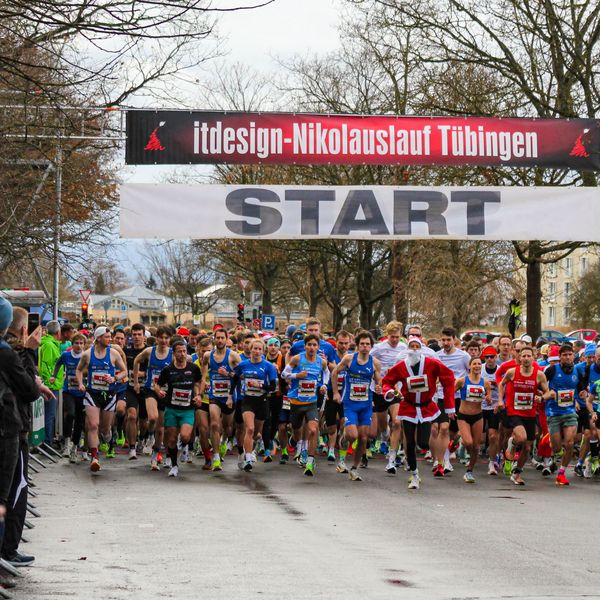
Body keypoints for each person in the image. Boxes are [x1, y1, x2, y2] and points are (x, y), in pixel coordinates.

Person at [0, 300, 43, 570]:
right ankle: (7, 550)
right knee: (13, 490)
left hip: (11, 425)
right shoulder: (8, 352)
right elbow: (29, 389)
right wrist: (29, 353)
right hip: (10, 428)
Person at [382, 336, 456, 490]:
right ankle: (414, 474)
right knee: (409, 442)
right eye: (412, 346)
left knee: (423, 443)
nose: (414, 349)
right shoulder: (401, 366)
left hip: (426, 407)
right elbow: (387, 381)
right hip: (408, 407)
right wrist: (389, 391)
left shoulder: (431, 363)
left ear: (421, 349)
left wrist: (450, 406)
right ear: (407, 349)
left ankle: (436, 453)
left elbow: (449, 377)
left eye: (417, 346)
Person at [331, 331, 382, 481]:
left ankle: (354, 468)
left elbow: (379, 380)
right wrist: (336, 392)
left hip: (366, 404)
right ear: (358, 345)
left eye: (367, 344)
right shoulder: (349, 359)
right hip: (350, 404)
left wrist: (379, 387)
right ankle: (343, 440)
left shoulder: (375, 363)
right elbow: (334, 373)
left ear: (371, 346)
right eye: (362, 344)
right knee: (352, 435)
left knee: (364, 438)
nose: (365, 347)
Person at [76, 326, 127, 473]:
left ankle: (108, 438)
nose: (110, 339)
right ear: (98, 338)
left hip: (109, 395)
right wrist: (80, 383)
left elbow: (124, 371)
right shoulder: (87, 354)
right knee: (93, 425)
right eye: (107, 337)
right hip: (92, 394)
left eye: (110, 337)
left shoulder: (113, 353)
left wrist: (114, 378)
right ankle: (95, 457)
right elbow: (79, 369)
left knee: (105, 429)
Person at [497, 346, 550, 486]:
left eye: (529, 356)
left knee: (527, 448)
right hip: (514, 411)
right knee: (521, 437)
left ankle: (516, 473)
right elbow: (501, 384)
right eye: (524, 356)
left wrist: (542, 398)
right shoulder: (512, 372)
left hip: (530, 413)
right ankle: (512, 443)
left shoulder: (539, 375)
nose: (526, 358)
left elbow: (549, 392)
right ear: (519, 358)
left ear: (534, 358)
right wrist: (500, 400)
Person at [282, 334, 329, 476]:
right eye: (309, 345)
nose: (312, 348)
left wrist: (324, 385)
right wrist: (297, 376)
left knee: (313, 430)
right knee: (297, 432)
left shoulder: (321, 361)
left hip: (311, 402)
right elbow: (284, 374)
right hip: (296, 402)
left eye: (314, 345)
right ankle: (295, 440)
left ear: (318, 347)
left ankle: (310, 460)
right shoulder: (297, 359)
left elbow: (326, 373)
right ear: (305, 346)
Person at [155, 340, 203, 477]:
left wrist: (198, 395)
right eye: (179, 351)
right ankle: (174, 465)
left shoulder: (193, 368)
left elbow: (199, 382)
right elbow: (157, 385)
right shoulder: (168, 370)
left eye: (184, 351)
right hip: (171, 408)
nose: (182, 354)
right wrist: (159, 391)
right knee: (171, 439)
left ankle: (183, 446)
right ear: (174, 353)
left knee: (185, 436)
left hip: (187, 409)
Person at [229, 339, 277, 471]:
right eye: (255, 348)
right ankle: (248, 458)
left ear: (263, 351)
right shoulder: (243, 364)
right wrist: (230, 395)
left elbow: (273, 387)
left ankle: (254, 444)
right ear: (250, 349)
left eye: (259, 349)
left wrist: (260, 385)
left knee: (256, 434)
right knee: (249, 429)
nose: (257, 351)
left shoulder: (268, 366)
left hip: (262, 402)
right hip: (247, 401)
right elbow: (235, 378)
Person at [543, 344, 585, 486]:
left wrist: (582, 393)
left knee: (570, 442)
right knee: (556, 448)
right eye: (564, 355)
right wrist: (547, 393)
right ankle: (552, 445)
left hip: (569, 412)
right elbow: (540, 385)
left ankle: (561, 473)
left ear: (573, 356)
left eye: (570, 354)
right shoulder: (552, 370)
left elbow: (581, 388)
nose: (567, 357)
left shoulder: (577, 371)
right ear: (560, 357)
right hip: (553, 412)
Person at [199, 328, 241, 471]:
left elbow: (242, 376)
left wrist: (228, 373)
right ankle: (216, 458)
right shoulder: (207, 356)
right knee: (215, 425)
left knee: (228, 427)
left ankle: (224, 442)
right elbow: (203, 376)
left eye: (223, 338)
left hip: (229, 397)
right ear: (214, 339)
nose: (220, 340)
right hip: (214, 396)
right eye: (218, 338)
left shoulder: (233, 356)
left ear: (227, 339)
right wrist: (201, 391)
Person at [430, 327, 469, 476]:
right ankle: (443, 461)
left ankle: (450, 448)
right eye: (443, 340)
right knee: (443, 428)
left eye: (448, 340)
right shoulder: (437, 356)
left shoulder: (463, 356)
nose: (445, 343)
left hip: (459, 398)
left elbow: (471, 373)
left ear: (454, 340)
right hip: (442, 397)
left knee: (454, 433)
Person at [370, 321, 407, 475]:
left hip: (395, 389)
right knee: (383, 424)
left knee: (397, 422)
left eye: (397, 337)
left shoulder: (404, 348)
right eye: (392, 337)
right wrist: (376, 378)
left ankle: (392, 458)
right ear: (387, 335)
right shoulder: (378, 348)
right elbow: (368, 363)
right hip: (380, 389)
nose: (395, 340)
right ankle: (385, 436)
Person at [133, 326, 172, 470]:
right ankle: (149, 435)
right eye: (161, 337)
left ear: (170, 339)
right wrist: (136, 382)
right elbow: (137, 361)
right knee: (153, 417)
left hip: (165, 393)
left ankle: (155, 456)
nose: (163, 340)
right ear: (157, 338)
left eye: (166, 338)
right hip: (150, 390)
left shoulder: (173, 354)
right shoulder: (150, 351)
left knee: (161, 430)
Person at [454, 357, 492, 483]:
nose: (477, 366)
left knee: (476, 447)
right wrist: (450, 409)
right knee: (469, 443)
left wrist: (488, 399)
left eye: (479, 364)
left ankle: (469, 471)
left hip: (478, 416)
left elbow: (489, 398)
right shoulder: (462, 381)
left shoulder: (485, 382)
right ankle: (461, 442)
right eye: (474, 364)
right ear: (469, 366)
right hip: (463, 416)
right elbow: (450, 393)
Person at [50, 332, 86, 461]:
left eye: (81, 343)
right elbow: (58, 363)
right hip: (68, 390)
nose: (79, 345)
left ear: (84, 345)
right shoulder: (66, 355)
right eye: (76, 343)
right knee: (70, 414)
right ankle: (66, 443)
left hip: (82, 392)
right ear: (72, 344)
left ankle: (75, 447)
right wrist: (54, 376)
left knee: (80, 420)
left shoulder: (86, 356)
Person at [325, 330, 351, 464]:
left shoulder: (352, 357)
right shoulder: (331, 355)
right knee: (331, 426)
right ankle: (330, 446)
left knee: (344, 422)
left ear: (350, 343)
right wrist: (331, 365)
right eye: (341, 343)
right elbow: (326, 366)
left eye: (346, 343)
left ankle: (338, 450)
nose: (343, 346)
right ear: (336, 342)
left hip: (346, 393)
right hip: (331, 392)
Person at [38, 319, 63, 446]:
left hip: (53, 385)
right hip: (50, 386)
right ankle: (47, 443)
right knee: (49, 414)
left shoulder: (51, 344)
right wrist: (50, 383)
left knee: (50, 414)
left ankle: (48, 441)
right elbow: (46, 366)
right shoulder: (49, 345)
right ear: (58, 332)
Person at [480, 345, 502, 475]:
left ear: (496, 357)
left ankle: (492, 462)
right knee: (480, 440)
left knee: (493, 436)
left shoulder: (500, 370)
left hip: (495, 406)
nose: (489, 359)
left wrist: (500, 402)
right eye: (487, 357)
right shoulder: (479, 369)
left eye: (492, 357)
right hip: (480, 406)